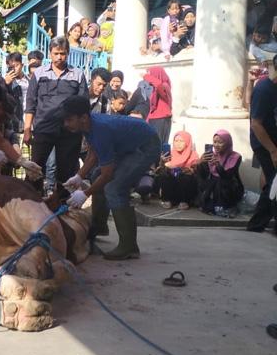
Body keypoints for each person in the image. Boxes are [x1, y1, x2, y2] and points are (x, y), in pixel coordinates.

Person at [62, 96, 160, 260]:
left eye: (69, 120)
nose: (66, 124)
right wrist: (79, 176)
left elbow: (108, 174)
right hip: (132, 143)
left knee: (114, 188)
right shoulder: (90, 125)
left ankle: (129, 246)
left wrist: (85, 194)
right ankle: (99, 227)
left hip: (146, 146)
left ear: (83, 118)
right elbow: (93, 153)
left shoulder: (100, 129)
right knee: (96, 175)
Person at [23, 36, 88, 192]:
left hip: (70, 132)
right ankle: (32, 203)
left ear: (68, 53)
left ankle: (63, 205)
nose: (59, 57)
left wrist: (84, 132)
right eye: (56, 53)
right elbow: (30, 103)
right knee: (36, 168)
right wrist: (27, 130)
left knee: (66, 170)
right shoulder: (39, 74)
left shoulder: (78, 75)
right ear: (50, 54)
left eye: (63, 53)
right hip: (43, 128)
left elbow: (84, 106)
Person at [247, 62, 277, 233]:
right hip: (264, 143)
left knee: (274, 183)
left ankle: (259, 224)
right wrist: (273, 150)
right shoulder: (264, 89)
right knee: (273, 182)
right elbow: (256, 124)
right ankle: (256, 225)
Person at [197, 130, 244, 217]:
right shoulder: (211, 155)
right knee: (209, 182)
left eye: (220, 142)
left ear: (228, 143)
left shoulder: (235, 157)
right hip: (214, 186)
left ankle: (226, 206)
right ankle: (210, 205)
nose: (216, 145)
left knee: (220, 181)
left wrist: (218, 166)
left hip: (230, 187)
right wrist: (201, 162)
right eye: (214, 142)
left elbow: (228, 176)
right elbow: (203, 175)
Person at [155, 131, 199, 210]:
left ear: (187, 142)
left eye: (181, 141)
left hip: (185, 191)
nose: (178, 144)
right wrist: (162, 163)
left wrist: (190, 170)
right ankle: (167, 199)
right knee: (164, 174)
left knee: (185, 177)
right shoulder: (169, 154)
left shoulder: (193, 155)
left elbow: (197, 173)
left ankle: (184, 201)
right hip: (172, 189)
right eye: (176, 141)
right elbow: (159, 172)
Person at [145, 66, 172, 144]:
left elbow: (159, 85)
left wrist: (146, 76)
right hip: (156, 119)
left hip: (161, 119)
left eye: (151, 74)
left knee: (157, 144)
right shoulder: (155, 89)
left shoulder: (164, 86)